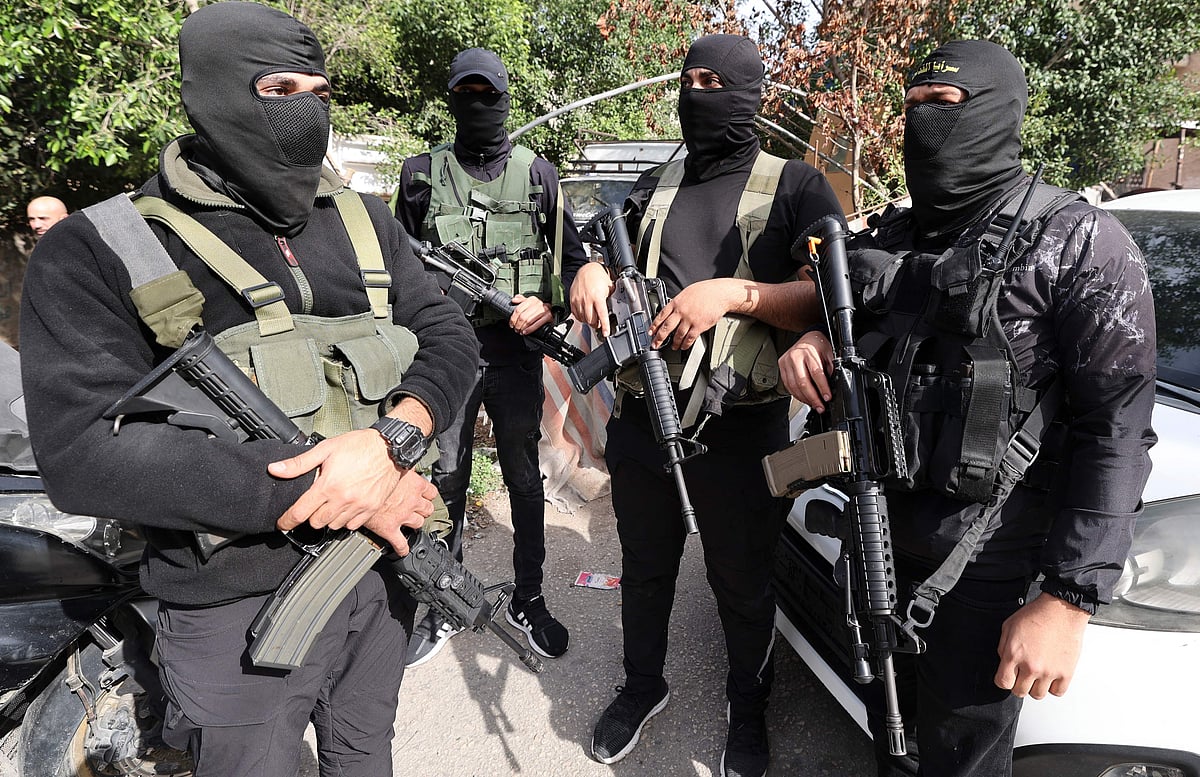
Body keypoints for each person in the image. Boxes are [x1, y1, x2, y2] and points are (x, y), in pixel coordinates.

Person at [19, 4, 477, 776]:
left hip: (382, 572)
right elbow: (83, 454)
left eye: (322, 94)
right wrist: (336, 484)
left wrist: (395, 438)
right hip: (234, 613)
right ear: (213, 92)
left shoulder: (365, 221)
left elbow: (449, 336)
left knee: (365, 754)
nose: (308, 111)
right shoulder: (101, 246)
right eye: (281, 87)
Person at [778, 40, 1157, 777]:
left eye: (945, 105)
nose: (922, 121)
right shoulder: (892, 234)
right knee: (886, 731)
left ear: (998, 113)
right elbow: (848, 313)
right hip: (876, 538)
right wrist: (816, 335)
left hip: (985, 568)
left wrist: (1067, 600)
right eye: (913, 105)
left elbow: (1117, 430)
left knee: (963, 760)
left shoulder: (1078, 242)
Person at [569, 34, 843, 777]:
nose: (695, 92)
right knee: (646, 565)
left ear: (750, 93)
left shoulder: (797, 187)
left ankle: (747, 706)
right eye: (688, 78)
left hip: (737, 426)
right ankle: (643, 685)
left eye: (714, 80)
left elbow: (835, 298)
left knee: (741, 579)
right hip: (641, 418)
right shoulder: (658, 180)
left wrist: (736, 293)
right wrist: (588, 268)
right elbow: (589, 239)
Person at [393, 47, 588, 666]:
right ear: (451, 99)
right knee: (443, 478)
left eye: (487, 94)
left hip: (515, 353)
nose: (478, 105)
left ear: (504, 96)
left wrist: (547, 306)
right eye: (465, 94)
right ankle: (446, 599)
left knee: (523, 481)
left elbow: (574, 265)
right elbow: (396, 269)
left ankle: (529, 597)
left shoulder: (539, 175)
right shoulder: (420, 174)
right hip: (443, 355)